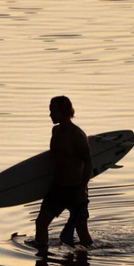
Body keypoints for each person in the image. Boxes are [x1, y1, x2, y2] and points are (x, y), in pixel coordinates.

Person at [34, 96, 93, 247]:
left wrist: (82, 189)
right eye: (50, 111)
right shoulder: (55, 131)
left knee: (82, 233)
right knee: (41, 224)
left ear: (65, 112)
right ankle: (42, 256)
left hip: (75, 189)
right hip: (57, 188)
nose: (50, 115)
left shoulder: (77, 135)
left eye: (54, 111)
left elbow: (88, 163)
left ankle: (86, 261)